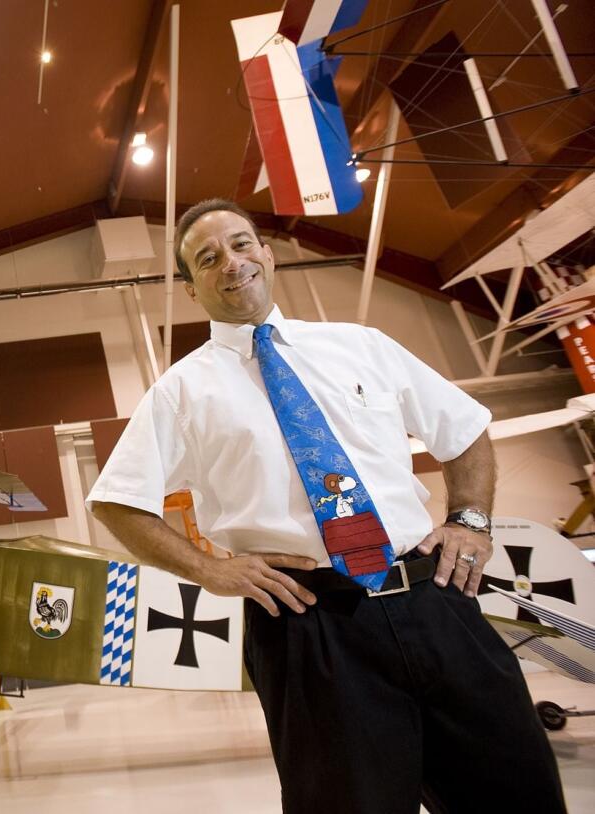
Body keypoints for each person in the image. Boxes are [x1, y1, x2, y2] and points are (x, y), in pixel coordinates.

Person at [87, 198, 565, 813]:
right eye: (208, 259)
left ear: (267, 254)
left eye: (240, 245)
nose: (230, 264)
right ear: (191, 288)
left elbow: (463, 429)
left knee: (517, 792)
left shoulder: (361, 346)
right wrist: (211, 569)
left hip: (434, 599)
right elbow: (117, 501)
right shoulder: (180, 393)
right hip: (310, 628)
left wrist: (470, 519)